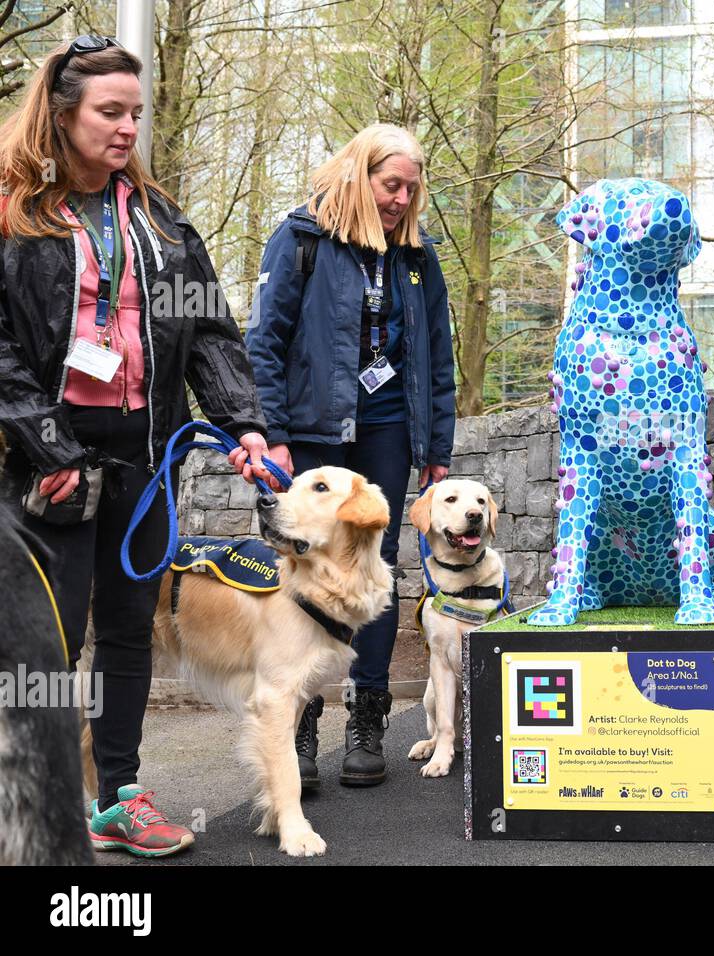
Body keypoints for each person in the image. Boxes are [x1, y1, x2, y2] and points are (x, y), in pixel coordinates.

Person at [0, 36, 272, 857]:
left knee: (127, 630)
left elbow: (210, 334)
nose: (127, 130)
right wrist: (50, 451)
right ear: (61, 114)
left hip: (147, 457)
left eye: (136, 115)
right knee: (48, 642)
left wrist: (244, 421)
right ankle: (36, 794)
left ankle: (118, 795)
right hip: (49, 461)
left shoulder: (158, 222)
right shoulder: (16, 218)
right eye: (109, 113)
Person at [246, 123, 455, 788]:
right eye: (390, 184)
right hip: (310, 429)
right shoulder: (301, 239)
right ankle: (300, 728)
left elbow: (438, 356)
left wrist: (437, 450)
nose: (400, 199)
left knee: (375, 567)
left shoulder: (418, 260)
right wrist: (272, 432)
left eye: (411, 189)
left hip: (389, 428)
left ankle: (367, 717)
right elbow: (263, 341)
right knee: (306, 570)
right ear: (358, 175)